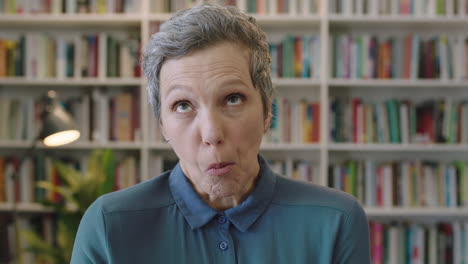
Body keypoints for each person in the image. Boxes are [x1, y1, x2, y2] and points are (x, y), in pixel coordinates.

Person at [71, 3, 371, 263]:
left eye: (232, 99)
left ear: (267, 110)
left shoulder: (336, 220)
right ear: (162, 124)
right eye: (183, 105)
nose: (212, 133)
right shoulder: (109, 225)